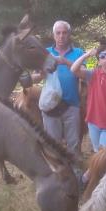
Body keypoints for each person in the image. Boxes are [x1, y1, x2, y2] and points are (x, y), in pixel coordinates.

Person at [39, 20, 85, 159]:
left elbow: (84, 73)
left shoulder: (78, 52)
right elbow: (35, 76)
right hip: (51, 105)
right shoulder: (45, 52)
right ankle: (58, 174)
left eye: (64, 33)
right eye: (58, 33)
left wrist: (65, 61)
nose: (61, 36)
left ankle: (76, 173)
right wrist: (41, 73)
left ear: (69, 35)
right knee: (53, 144)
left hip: (72, 104)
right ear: (53, 35)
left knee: (74, 144)